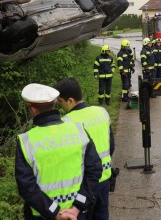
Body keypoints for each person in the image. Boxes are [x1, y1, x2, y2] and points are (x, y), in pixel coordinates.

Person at [15, 83, 102, 220]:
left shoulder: (26, 141)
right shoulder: (78, 130)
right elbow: (95, 170)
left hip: (43, 215)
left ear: (32, 109)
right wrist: (76, 208)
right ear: (55, 104)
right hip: (76, 215)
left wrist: (55, 212)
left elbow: (27, 187)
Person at [55, 78, 115, 220]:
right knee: (102, 215)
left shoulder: (66, 123)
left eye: (61, 102)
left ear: (70, 100)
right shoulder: (102, 112)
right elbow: (111, 145)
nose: (60, 106)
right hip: (105, 179)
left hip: (83, 185)